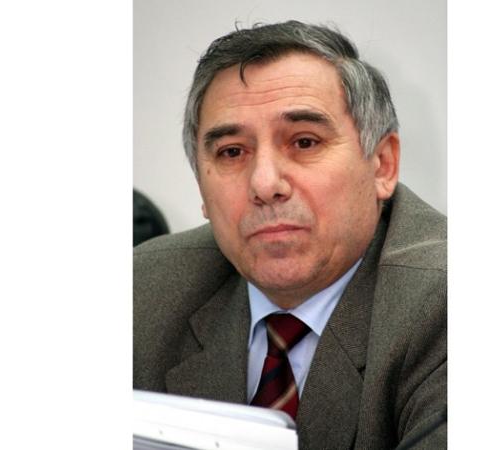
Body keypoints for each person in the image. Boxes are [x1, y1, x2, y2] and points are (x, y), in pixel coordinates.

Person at [134, 21, 446, 449]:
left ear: (382, 165)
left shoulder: (445, 305)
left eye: (304, 142)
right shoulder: (141, 293)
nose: (264, 184)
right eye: (232, 152)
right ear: (201, 188)